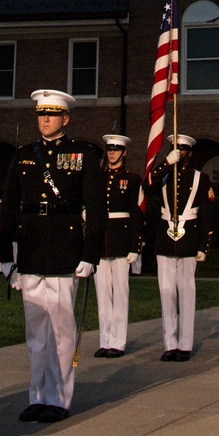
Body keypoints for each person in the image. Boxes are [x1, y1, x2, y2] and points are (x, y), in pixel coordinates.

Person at [0, 89, 104, 423]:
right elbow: (9, 206)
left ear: (65, 118)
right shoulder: (24, 155)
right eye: (41, 114)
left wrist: (91, 254)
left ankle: (58, 398)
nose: (45, 119)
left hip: (64, 249)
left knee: (60, 329)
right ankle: (37, 396)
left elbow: (96, 209)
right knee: (35, 331)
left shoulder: (82, 154)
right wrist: (5, 255)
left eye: (52, 114)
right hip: (30, 249)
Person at [146, 134, 215, 362]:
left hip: (189, 238)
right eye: (176, 148)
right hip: (165, 239)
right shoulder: (165, 175)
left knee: (186, 293)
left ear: (190, 152)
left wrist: (204, 245)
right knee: (166, 293)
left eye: (183, 149)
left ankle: (185, 344)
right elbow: (147, 185)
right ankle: (170, 343)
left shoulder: (200, 178)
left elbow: (207, 214)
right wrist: (166, 163)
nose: (180, 153)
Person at [94, 134, 144, 358]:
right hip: (101, 241)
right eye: (109, 149)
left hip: (122, 240)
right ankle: (105, 339)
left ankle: (118, 342)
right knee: (102, 293)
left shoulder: (132, 180)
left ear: (124, 153)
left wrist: (135, 246)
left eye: (116, 149)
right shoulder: (98, 178)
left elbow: (136, 215)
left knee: (120, 292)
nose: (112, 153)